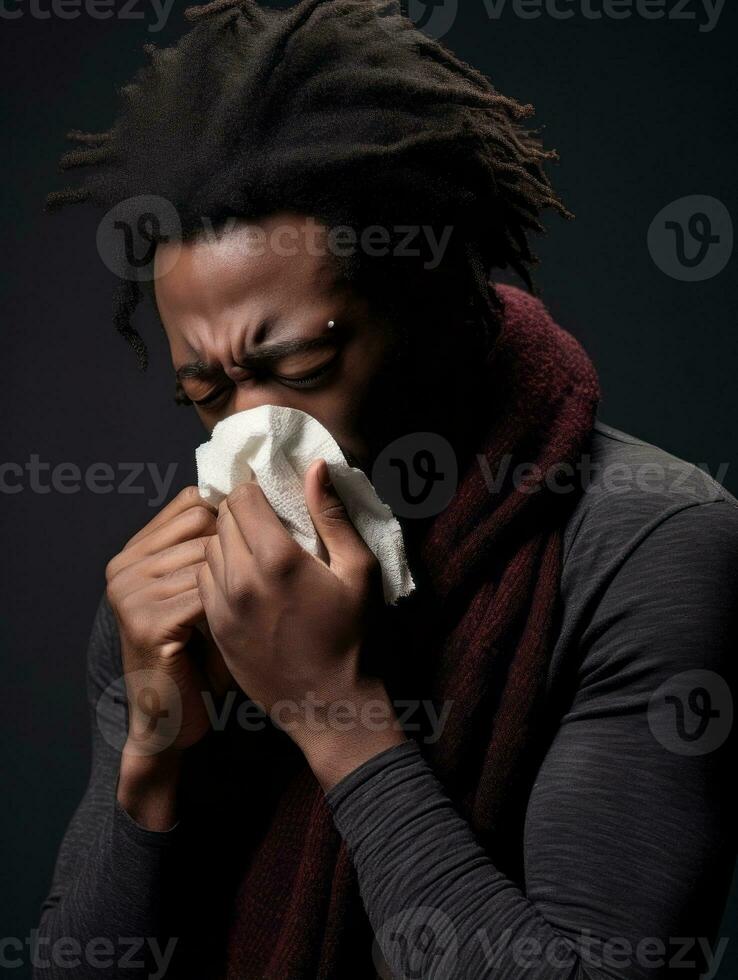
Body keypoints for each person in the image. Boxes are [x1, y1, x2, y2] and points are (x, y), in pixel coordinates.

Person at [37, 1, 737, 977]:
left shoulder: (651, 543)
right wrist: (153, 754)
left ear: (431, 301)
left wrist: (333, 711)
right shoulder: (182, 585)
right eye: (206, 392)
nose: (253, 431)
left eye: (296, 367)